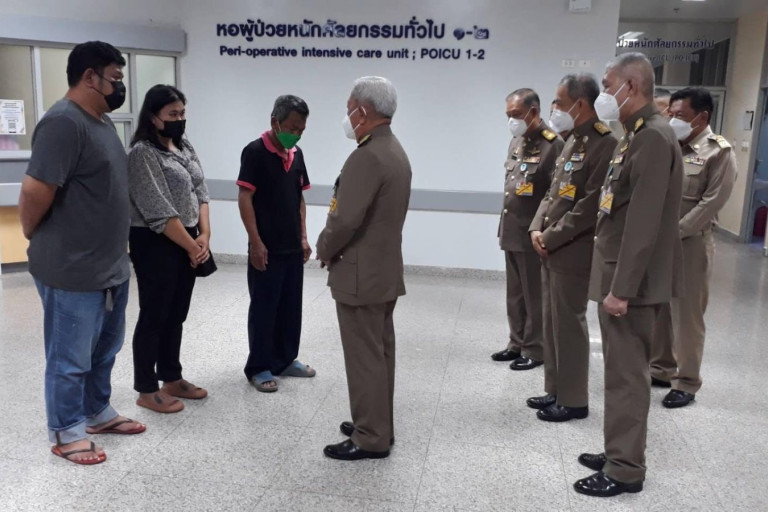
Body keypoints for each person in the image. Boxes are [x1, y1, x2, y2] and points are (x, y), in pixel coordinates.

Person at [18, 41, 145, 465]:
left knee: (104, 350)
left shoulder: (101, 123)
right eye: (116, 78)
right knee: (69, 358)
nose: (121, 87)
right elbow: (34, 191)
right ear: (90, 77)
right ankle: (66, 431)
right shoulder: (63, 123)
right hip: (71, 269)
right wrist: (33, 233)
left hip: (109, 266)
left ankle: (96, 412)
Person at [574, 52, 683, 497]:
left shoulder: (653, 137)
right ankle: (617, 449)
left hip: (631, 285)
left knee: (627, 377)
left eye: (607, 85)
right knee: (619, 373)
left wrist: (621, 289)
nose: (603, 94)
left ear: (631, 87)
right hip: (620, 275)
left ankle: (624, 469)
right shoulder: (635, 133)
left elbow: (643, 223)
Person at [317, 76, 411, 461]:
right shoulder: (394, 150)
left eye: (349, 109)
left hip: (359, 274)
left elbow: (344, 220)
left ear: (363, 110)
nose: (347, 117)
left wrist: (323, 248)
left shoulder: (367, 155)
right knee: (380, 351)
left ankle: (370, 435)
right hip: (382, 271)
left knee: (364, 357)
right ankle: (378, 423)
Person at [527, 74, 618, 421]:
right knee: (552, 323)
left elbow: (590, 205)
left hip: (574, 249)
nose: (556, 109)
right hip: (551, 246)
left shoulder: (604, 144)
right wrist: (537, 227)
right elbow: (553, 193)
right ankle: (555, 389)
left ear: (580, 104)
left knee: (569, 324)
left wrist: (549, 237)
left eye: (561, 103)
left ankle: (575, 399)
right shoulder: (571, 141)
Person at [649, 87, 737, 407]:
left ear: (702, 117)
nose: (673, 120)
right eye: (670, 114)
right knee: (660, 308)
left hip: (691, 244)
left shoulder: (719, 152)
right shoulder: (670, 145)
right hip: (659, 242)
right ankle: (661, 368)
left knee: (687, 316)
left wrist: (675, 232)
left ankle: (686, 380)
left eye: (681, 115)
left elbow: (711, 202)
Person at [128, 85, 211, 413]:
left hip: (188, 237)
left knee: (176, 313)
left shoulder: (184, 145)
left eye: (182, 113)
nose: (179, 119)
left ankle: (171, 377)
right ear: (153, 117)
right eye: (172, 114)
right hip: (155, 240)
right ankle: (146, 389)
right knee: (155, 313)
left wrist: (204, 234)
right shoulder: (142, 153)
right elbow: (158, 210)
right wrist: (192, 246)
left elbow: (201, 190)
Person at [237, 95, 314, 392]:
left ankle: (284, 360)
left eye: (301, 130)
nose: (296, 134)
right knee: (264, 308)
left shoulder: (297, 154)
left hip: (292, 246)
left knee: (290, 307)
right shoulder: (254, 152)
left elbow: (299, 198)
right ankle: (259, 366)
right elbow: (245, 198)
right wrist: (255, 242)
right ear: (275, 122)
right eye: (292, 128)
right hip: (266, 247)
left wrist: (303, 236)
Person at [492, 88, 564, 370]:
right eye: (508, 115)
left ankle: (535, 349)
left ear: (533, 112)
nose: (511, 121)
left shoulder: (553, 144)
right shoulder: (516, 141)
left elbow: (555, 194)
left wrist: (541, 229)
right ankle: (516, 342)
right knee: (515, 294)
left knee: (534, 294)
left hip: (533, 232)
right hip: (511, 229)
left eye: (516, 114)